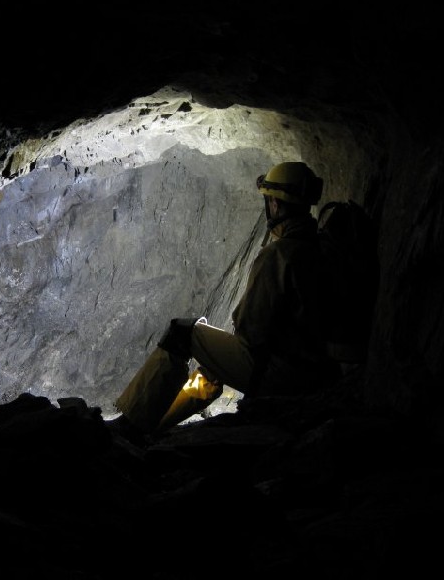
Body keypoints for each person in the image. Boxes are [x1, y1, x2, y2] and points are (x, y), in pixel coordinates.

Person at [109, 161, 341, 441]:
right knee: (213, 365)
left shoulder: (279, 255)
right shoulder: (324, 249)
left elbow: (250, 329)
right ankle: (154, 428)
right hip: (314, 373)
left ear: (275, 205)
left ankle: (131, 424)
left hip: (279, 375)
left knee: (183, 332)